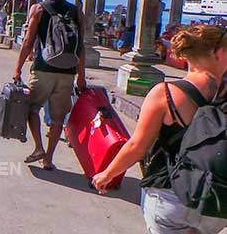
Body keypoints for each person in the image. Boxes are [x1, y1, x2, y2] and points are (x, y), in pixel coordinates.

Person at [92, 25, 227, 233]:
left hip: (170, 196)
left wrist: (107, 174)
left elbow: (137, 147)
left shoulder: (165, 94)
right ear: (218, 53)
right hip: (216, 202)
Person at [13, 0, 86, 170]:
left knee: (31, 108)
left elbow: (28, 41)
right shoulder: (77, 12)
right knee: (57, 119)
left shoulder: (39, 9)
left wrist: (18, 67)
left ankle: (38, 147)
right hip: (68, 72)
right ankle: (49, 159)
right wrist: (81, 75)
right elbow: (82, 47)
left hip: (43, 68)